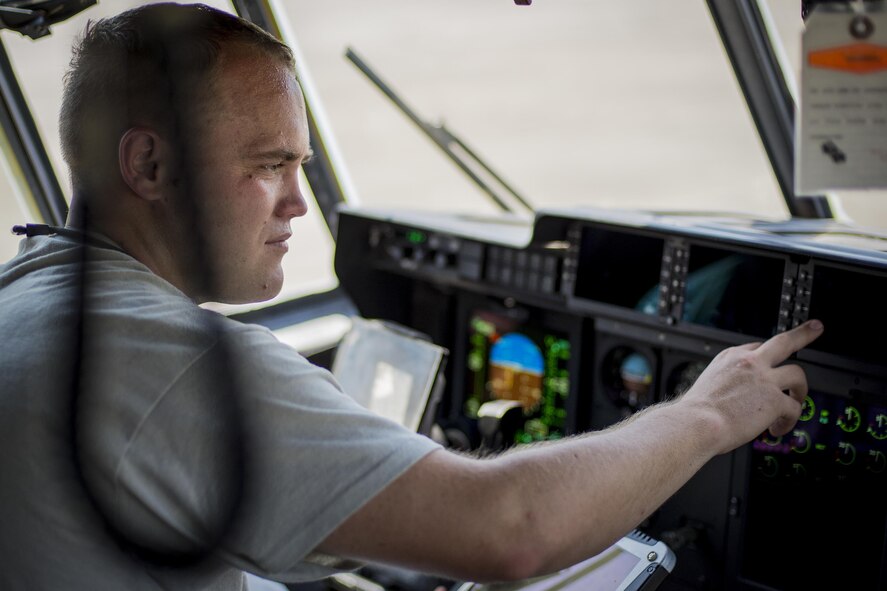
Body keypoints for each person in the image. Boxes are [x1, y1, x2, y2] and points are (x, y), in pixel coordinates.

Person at [0, 2, 822, 590]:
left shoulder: (27, 303)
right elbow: (511, 528)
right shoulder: (171, 364)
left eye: (303, 170)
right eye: (266, 165)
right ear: (147, 166)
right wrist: (707, 412)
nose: (295, 203)